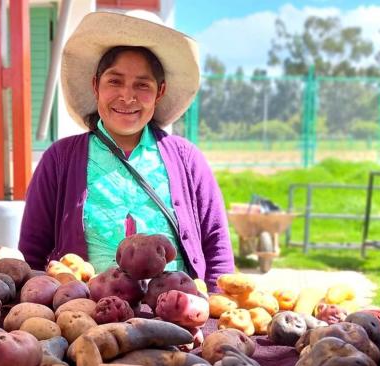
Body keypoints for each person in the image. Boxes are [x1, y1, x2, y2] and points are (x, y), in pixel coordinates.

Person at [18, 11, 234, 291]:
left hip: (177, 320)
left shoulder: (186, 159)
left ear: (160, 92)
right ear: (96, 85)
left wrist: (216, 309)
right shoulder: (59, 159)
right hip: (86, 322)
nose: (128, 97)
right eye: (115, 81)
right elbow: (32, 253)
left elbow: (217, 246)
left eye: (142, 85)